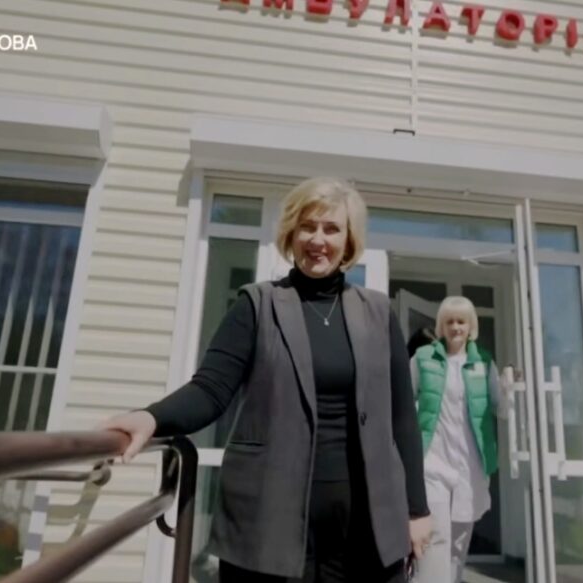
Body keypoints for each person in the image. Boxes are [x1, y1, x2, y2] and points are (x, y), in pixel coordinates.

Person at [98, 177, 433, 582]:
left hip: (366, 529)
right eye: (307, 226)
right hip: (270, 524)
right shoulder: (257, 305)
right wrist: (152, 417)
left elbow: (403, 419)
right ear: (291, 234)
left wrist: (417, 509)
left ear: (348, 241)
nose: (318, 239)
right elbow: (210, 390)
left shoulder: (378, 313)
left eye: (331, 229)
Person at [410, 296, 508, 583]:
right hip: (432, 460)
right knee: (435, 535)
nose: (455, 327)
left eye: (461, 321)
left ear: (470, 326)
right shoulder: (423, 358)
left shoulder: (483, 362)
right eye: (450, 321)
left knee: (459, 541)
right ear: (442, 325)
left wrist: (509, 387)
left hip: (470, 464)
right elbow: (403, 400)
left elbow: (501, 408)